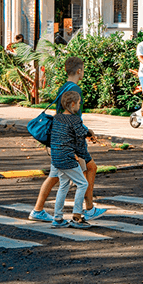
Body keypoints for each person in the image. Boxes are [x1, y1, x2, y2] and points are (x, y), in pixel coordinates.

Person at [30, 57, 105, 222]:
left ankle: (38, 210)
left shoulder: (63, 87)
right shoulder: (75, 90)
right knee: (90, 168)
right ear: (79, 71)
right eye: (83, 70)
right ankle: (88, 209)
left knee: (55, 176)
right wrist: (85, 134)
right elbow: (75, 118)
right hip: (70, 141)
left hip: (59, 137)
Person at [44, 89, 93, 228]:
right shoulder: (75, 119)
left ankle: (58, 218)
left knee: (64, 186)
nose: (79, 105)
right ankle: (77, 217)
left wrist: (87, 133)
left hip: (56, 157)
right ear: (72, 104)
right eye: (78, 103)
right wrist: (90, 135)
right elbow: (81, 137)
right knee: (83, 184)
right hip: (67, 158)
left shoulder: (57, 118)